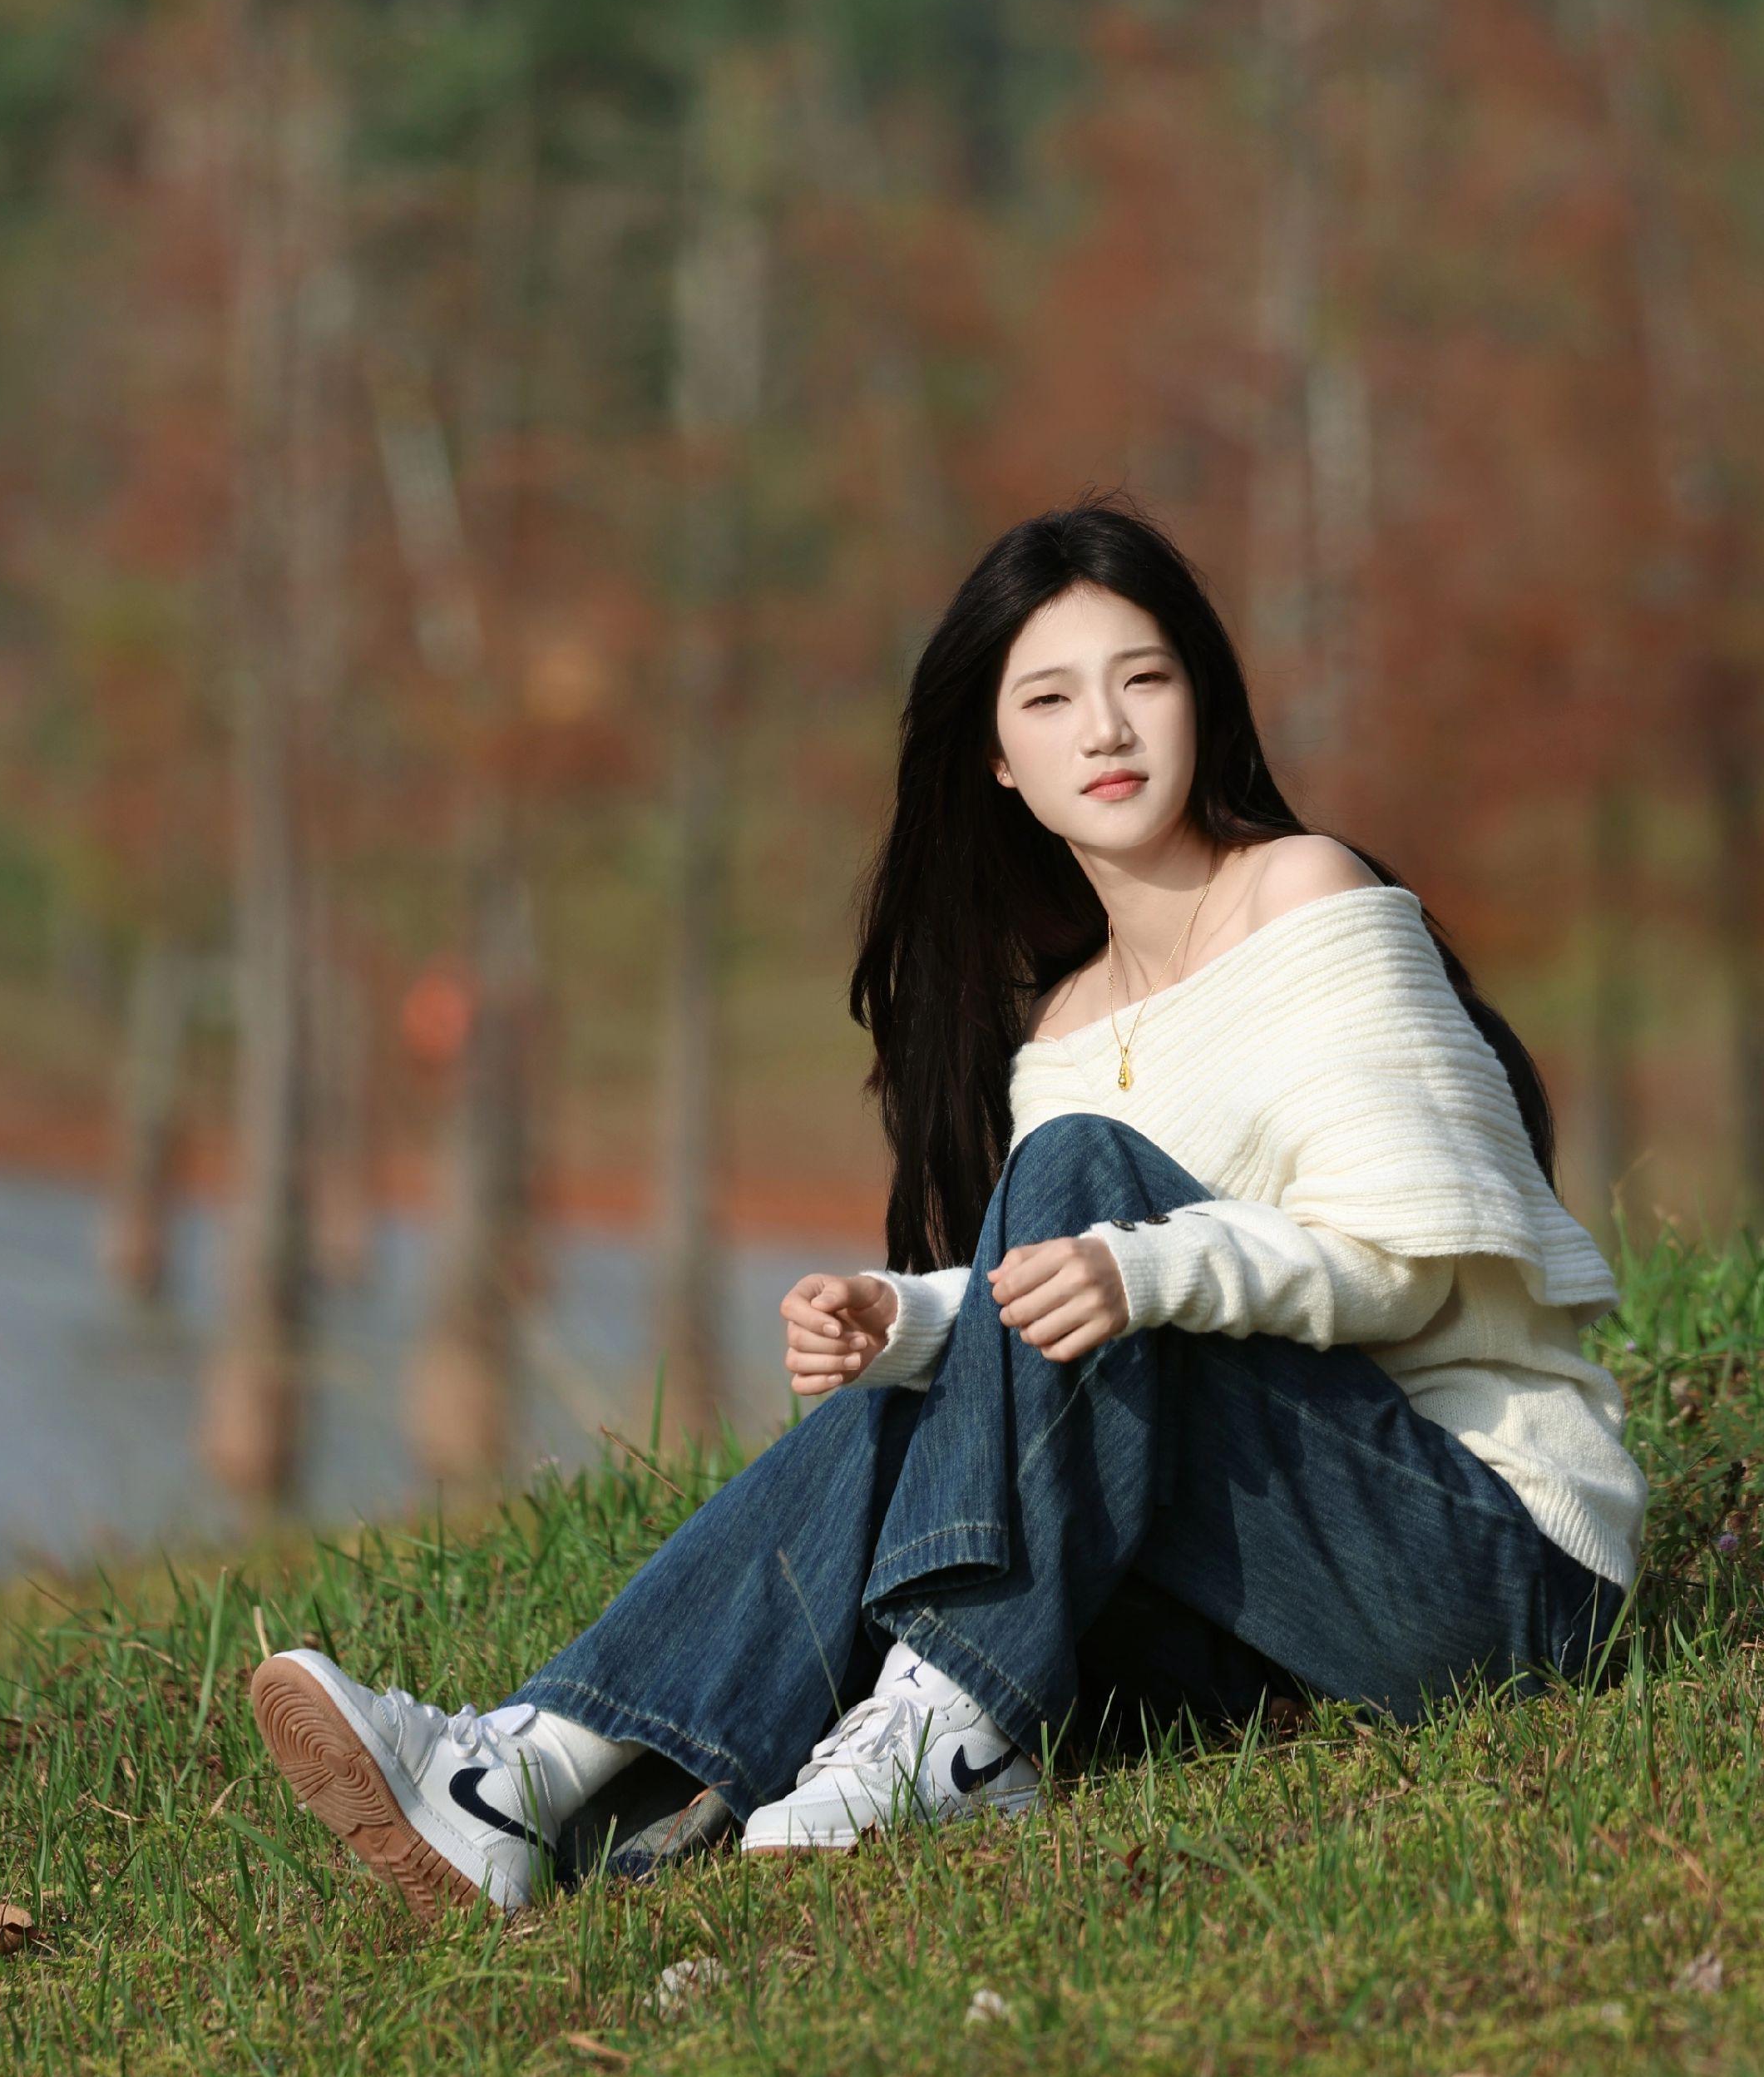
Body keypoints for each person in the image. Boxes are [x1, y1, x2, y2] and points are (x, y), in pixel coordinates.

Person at [251, 500, 1644, 1922]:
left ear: (1204, 699)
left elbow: (1397, 1266)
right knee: (919, 1392)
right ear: (996, 757)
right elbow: (1071, 1328)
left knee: (1080, 1185)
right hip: (1268, 1615)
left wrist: (1136, 1271)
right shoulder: (1063, 1031)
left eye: (1143, 679)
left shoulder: (1304, 891)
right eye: (1051, 700)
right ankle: (526, 1782)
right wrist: (910, 1322)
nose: (1106, 730)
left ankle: (937, 1735)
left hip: (1493, 1570)